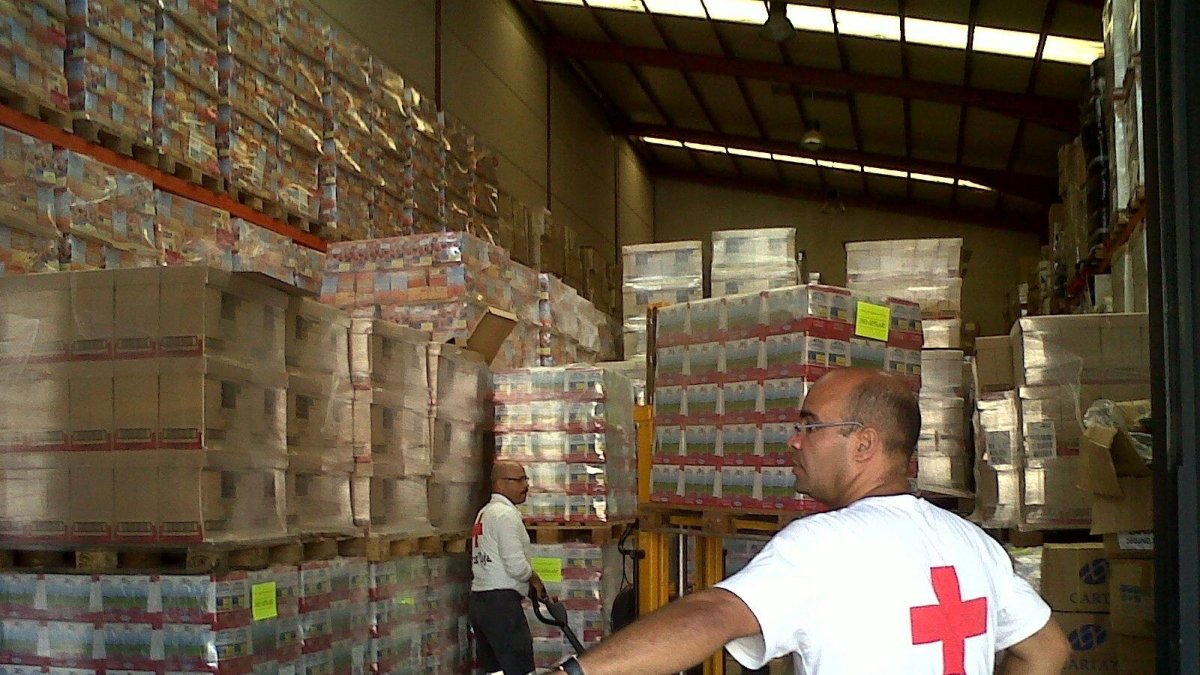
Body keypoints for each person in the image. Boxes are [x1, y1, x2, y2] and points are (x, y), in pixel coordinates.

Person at [553, 368, 1072, 675]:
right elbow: (1047, 649)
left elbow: (712, 614)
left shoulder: (821, 545)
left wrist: (577, 672)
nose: (794, 441)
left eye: (809, 426)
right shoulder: (973, 543)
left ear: (864, 443)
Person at [470, 459, 547, 675]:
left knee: (495, 670)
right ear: (501, 484)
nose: (526, 486)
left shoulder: (484, 513)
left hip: (480, 602)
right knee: (519, 668)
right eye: (519, 480)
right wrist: (533, 578)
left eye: (526, 479)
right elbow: (515, 566)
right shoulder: (506, 515)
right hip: (502, 605)